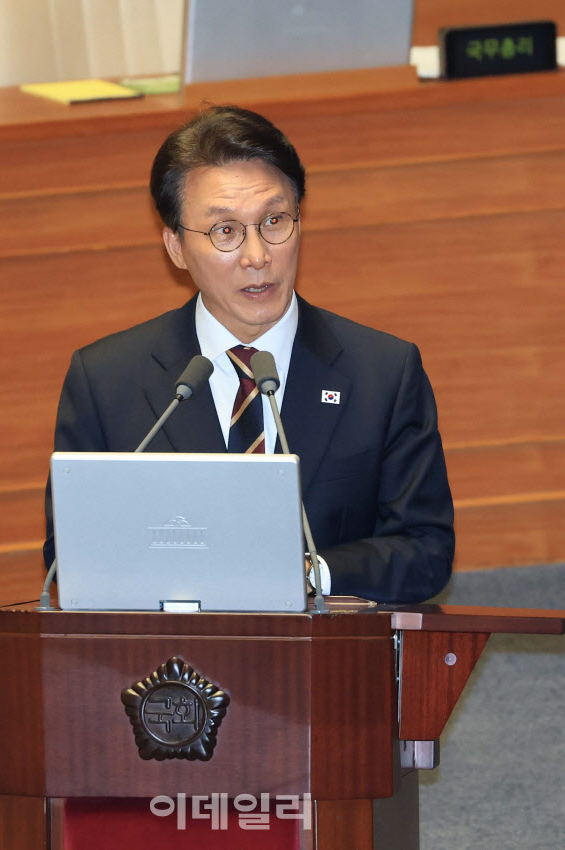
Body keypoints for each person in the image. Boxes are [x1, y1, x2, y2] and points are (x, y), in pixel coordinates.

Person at [44, 105, 454, 603]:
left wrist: (307, 573)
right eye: (225, 231)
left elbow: (426, 550)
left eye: (274, 221)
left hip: (328, 649)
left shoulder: (382, 373)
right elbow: (70, 556)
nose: (257, 256)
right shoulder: (107, 381)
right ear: (175, 247)